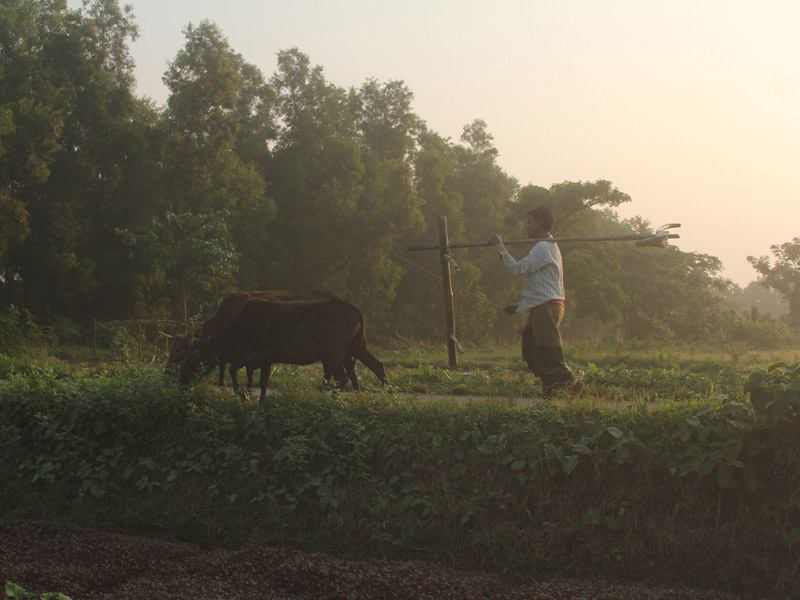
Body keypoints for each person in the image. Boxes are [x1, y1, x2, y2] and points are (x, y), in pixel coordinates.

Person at [488, 206, 583, 399]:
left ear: (539, 224)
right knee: (532, 351)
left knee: (549, 351)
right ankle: (548, 394)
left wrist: (500, 246)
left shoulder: (543, 247)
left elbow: (517, 270)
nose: (526, 227)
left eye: (529, 222)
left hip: (547, 307)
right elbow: (540, 286)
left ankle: (574, 386)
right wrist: (519, 306)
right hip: (543, 306)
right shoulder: (548, 246)